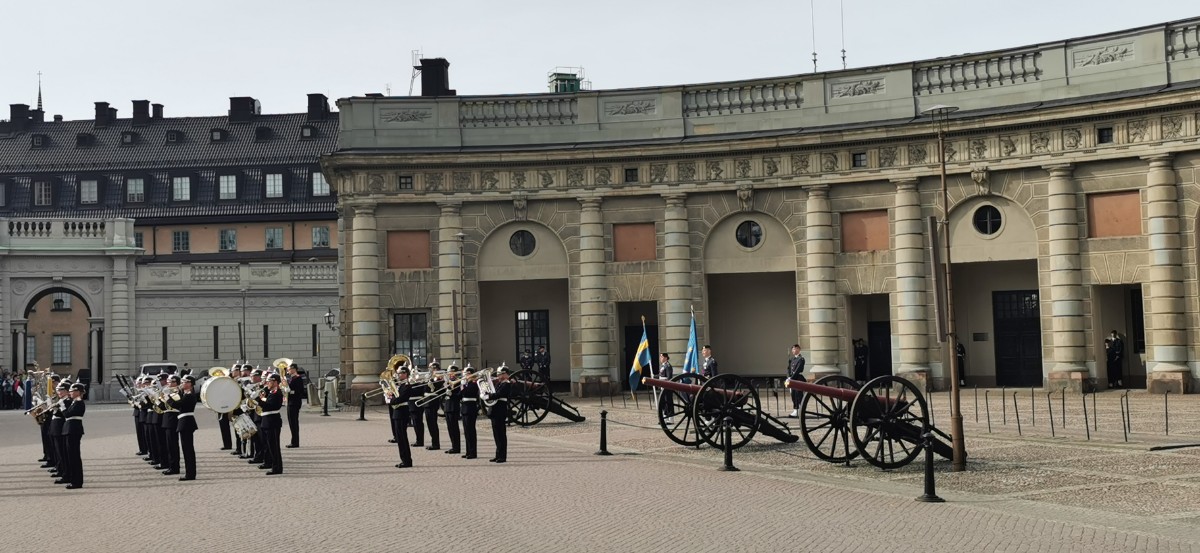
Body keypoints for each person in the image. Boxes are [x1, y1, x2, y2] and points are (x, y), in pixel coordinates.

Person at [173, 375, 200, 481]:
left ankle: (190, 474)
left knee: (188, 449)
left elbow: (177, 405)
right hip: (184, 422)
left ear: (190, 383)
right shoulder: (185, 394)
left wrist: (168, 397)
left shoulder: (189, 395)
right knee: (186, 449)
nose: (181, 384)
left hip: (186, 422)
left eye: (184, 382)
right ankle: (189, 473)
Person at [61, 382, 87, 489]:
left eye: (72, 391)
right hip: (69, 430)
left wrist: (62, 406)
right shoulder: (74, 402)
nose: (70, 393)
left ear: (77, 392)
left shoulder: (79, 403)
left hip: (74, 430)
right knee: (70, 456)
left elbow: (67, 414)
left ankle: (77, 481)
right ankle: (73, 479)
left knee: (74, 456)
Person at [386, 367, 413, 468]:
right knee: (400, 438)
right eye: (398, 373)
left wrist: (391, 400)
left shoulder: (407, 385)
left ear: (405, 374)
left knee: (402, 438)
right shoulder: (399, 385)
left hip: (402, 412)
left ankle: (407, 461)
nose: (398, 375)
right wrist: (389, 395)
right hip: (397, 412)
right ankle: (404, 459)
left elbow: (402, 398)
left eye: (400, 373)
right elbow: (395, 396)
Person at [257, 373, 285, 475]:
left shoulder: (277, 393)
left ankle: (277, 468)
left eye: (270, 381)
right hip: (266, 421)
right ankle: (269, 463)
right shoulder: (271, 392)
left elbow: (270, 406)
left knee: (274, 447)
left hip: (272, 422)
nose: (267, 383)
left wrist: (259, 401)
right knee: (267, 445)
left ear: (275, 382)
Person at [487, 366, 512, 463]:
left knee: (501, 434)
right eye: (498, 374)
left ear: (506, 374)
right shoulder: (499, 384)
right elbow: (494, 392)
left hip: (500, 411)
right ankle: (498, 454)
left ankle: (502, 456)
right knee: (496, 435)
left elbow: (499, 394)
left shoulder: (507, 384)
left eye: (500, 374)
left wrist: (488, 396)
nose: (498, 375)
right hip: (495, 410)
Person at [160, 375, 182, 476]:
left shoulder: (177, 392)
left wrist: (167, 397)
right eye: (168, 382)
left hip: (173, 418)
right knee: (168, 445)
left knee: (173, 444)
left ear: (177, 383)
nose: (169, 384)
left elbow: (174, 405)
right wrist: (159, 400)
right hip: (167, 418)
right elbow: (162, 407)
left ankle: (174, 467)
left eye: (172, 382)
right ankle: (170, 465)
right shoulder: (167, 391)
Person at [50, 380, 70, 482]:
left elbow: (65, 415)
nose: (59, 392)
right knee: (57, 451)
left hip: (60, 427)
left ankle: (65, 473)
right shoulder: (61, 400)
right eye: (59, 390)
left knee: (62, 453)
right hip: (55, 427)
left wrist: (58, 407)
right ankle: (60, 470)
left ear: (67, 391)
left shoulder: (67, 401)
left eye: (61, 390)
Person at [459, 367, 480, 460]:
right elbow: (460, 395)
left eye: (466, 374)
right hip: (464, 408)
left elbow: (467, 392)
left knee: (471, 431)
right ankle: (468, 451)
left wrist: (462, 385)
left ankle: (473, 452)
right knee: (466, 431)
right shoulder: (467, 384)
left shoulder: (474, 384)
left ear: (471, 374)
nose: (465, 376)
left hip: (470, 408)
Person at [422, 361, 442, 451]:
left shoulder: (439, 378)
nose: (432, 370)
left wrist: (432, 386)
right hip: (427, 401)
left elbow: (439, 389)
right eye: (431, 368)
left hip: (433, 401)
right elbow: (423, 389)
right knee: (429, 423)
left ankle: (436, 443)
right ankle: (433, 442)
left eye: (434, 368)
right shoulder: (428, 377)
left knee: (433, 423)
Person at [442, 363, 462, 455]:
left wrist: (452, 394)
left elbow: (459, 395)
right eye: (449, 372)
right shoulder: (448, 381)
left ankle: (456, 447)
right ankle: (453, 446)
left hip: (454, 406)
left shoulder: (458, 381)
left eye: (451, 372)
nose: (450, 374)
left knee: (454, 428)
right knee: (450, 428)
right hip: (447, 407)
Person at [286, 363, 306, 448]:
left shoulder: (298, 378)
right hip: (290, 402)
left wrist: (290, 391)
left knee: (293, 422)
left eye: (289, 369)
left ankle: (295, 442)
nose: (288, 371)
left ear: (294, 369)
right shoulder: (291, 378)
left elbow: (300, 391)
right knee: (291, 422)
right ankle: (294, 441)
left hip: (294, 402)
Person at [408, 363, 427, 448]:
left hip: (417, 404)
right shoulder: (411, 383)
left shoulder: (421, 383)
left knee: (418, 423)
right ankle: (418, 440)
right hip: (411, 404)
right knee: (415, 423)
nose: (413, 376)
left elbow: (418, 391)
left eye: (415, 374)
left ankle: (420, 440)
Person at [787, 344, 806, 418]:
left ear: (799, 349)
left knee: (798, 395)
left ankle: (801, 410)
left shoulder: (801, 359)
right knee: (793, 395)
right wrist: (788, 377)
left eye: (795, 349)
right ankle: (796, 410)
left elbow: (798, 370)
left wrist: (791, 378)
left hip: (798, 378)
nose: (793, 350)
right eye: (793, 349)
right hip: (792, 379)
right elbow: (788, 369)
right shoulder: (792, 359)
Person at [657, 353, 674, 421]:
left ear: (666, 358)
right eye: (660, 357)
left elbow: (669, 377)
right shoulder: (663, 365)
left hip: (667, 386)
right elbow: (661, 375)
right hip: (662, 385)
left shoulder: (668, 366)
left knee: (668, 401)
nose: (660, 358)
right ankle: (666, 416)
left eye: (662, 357)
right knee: (663, 401)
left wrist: (665, 384)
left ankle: (671, 417)